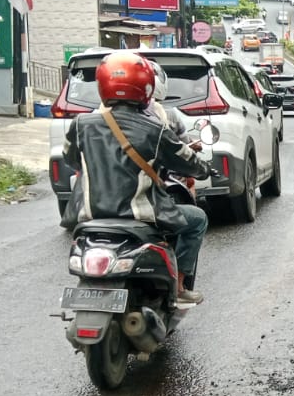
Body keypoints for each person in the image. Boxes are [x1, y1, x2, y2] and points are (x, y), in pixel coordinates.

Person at [61, 51, 212, 305]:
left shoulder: (80, 124)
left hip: (89, 216)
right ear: (146, 87)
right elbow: (189, 163)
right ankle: (179, 285)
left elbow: (71, 159)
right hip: (141, 215)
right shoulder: (155, 129)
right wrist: (204, 170)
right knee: (197, 219)